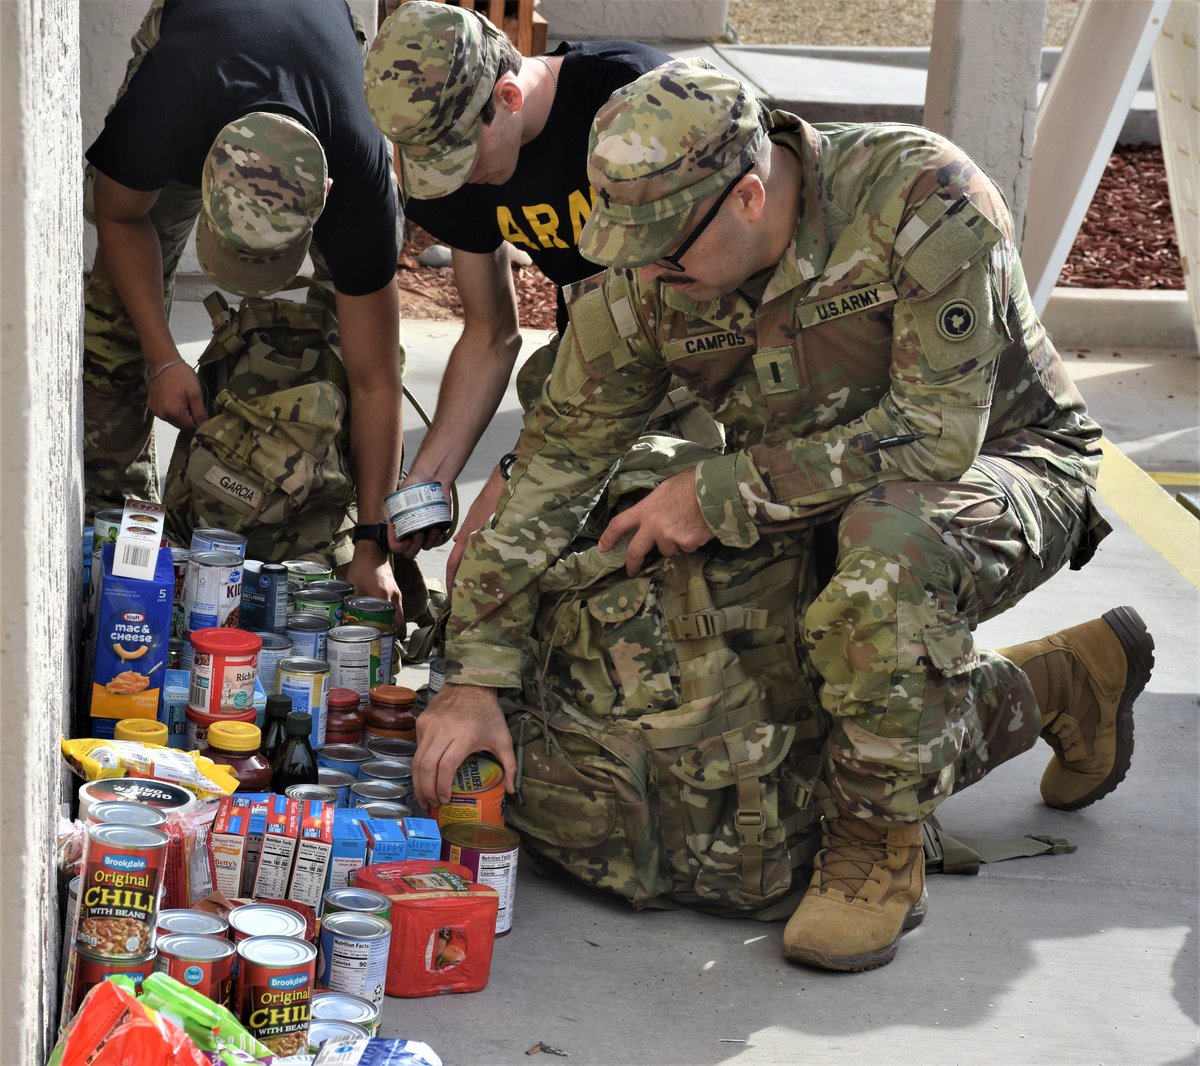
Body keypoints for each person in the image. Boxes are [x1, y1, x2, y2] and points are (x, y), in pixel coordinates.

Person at [412, 59, 1155, 971]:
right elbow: (552, 471)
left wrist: (715, 492)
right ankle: (1064, 682)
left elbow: (934, 438)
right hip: (805, 483)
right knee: (729, 678)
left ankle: (874, 852)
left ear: (751, 196)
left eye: (665, 250)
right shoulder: (654, 275)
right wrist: (475, 673)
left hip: (1001, 467)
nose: (644, 273)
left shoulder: (919, 195)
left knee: (885, 556)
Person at [84, 0, 404, 607]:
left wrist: (372, 547)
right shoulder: (167, 105)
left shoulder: (357, 172)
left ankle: (328, 512)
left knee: (357, 333)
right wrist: (161, 357)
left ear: (324, 197)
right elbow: (118, 214)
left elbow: (377, 381)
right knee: (115, 308)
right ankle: (113, 522)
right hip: (201, 44)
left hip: (320, 45)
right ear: (202, 172)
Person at [362, 1, 672, 581]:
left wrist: (516, 471)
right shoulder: (456, 181)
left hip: (693, 353)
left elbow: (660, 330)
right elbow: (490, 334)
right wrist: (432, 475)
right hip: (592, 362)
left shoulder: (633, 103)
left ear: (507, 97)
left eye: (460, 156)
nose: (454, 179)